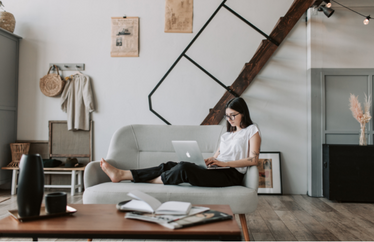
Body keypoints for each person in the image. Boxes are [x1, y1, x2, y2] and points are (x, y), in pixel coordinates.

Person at [100, 97, 261, 187]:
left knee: (183, 168)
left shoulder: (252, 131)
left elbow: (253, 160)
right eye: (227, 116)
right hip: (217, 170)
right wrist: (209, 161)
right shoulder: (227, 135)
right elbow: (216, 156)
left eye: (233, 115)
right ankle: (122, 174)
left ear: (243, 113)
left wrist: (224, 164)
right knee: (170, 165)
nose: (230, 119)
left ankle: (140, 179)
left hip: (230, 175)